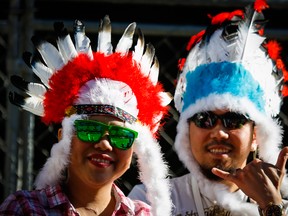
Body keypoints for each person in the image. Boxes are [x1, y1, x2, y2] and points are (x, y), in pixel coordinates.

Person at [0, 16, 173, 215]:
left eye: (121, 137)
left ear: (133, 148)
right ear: (63, 138)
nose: (105, 144)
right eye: (90, 130)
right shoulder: (26, 209)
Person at [129, 0, 288, 215]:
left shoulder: (280, 205)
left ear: (255, 136)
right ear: (188, 132)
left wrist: (271, 207)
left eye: (234, 120)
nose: (219, 132)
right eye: (205, 119)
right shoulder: (149, 201)